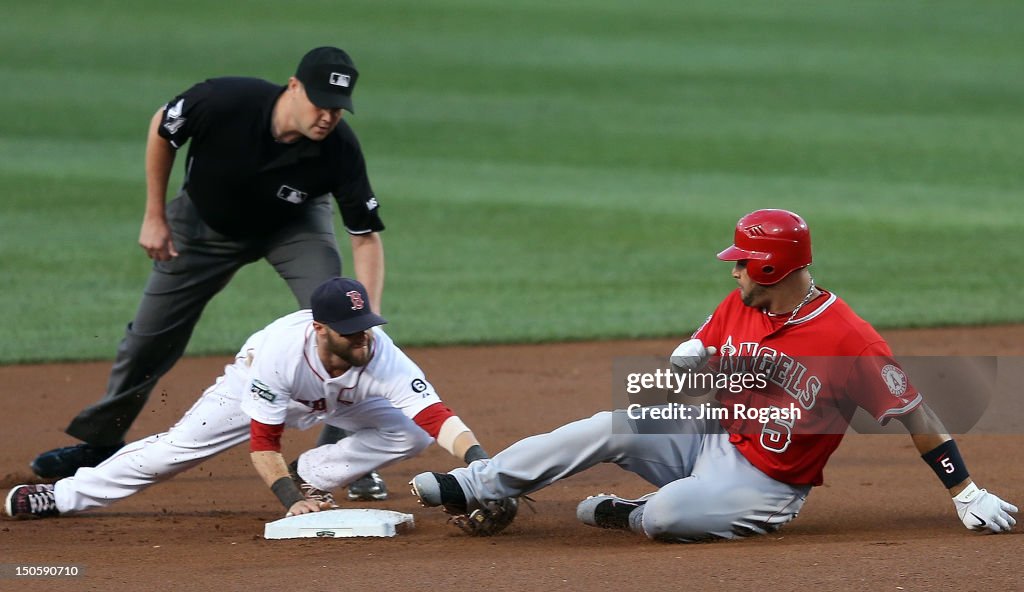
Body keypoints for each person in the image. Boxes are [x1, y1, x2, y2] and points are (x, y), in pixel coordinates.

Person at [409, 209, 1017, 542]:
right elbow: (710, 331)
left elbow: (916, 411)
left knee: (669, 517)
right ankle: (483, 483)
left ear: (772, 266)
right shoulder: (748, 302)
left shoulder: (851, 341)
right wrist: (694, 348)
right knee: (610, 425)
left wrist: (962, 489)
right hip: (710, 432)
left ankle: (632, 514)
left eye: (742, 262)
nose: (733, 272)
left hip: (768, 483)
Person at [32, 46, 391, 501]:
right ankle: (100, 442)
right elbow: (163, 128)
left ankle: (343, 458)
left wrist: (365, 317)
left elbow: (365, 237)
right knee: (148, 339)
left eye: (338, 108)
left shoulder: (339, 148)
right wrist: (155, 215)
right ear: (294, 87)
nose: (328, 117)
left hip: (293, 228)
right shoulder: (225, 101)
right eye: (320, 103)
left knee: (339, 332)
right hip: (201, 227)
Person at [5, 278, 493, 520]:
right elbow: (264, 442)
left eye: (365, 328)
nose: (362, 339)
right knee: (173, 452)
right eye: (350, 332)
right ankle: (64, 495)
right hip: (253, 390)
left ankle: (315, 475)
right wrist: (289, 501)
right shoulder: (283, 352)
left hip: (340, 397)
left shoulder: (378, 352)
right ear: (320, 329)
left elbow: (436, 417)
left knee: (408, 430)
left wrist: (481, 465)